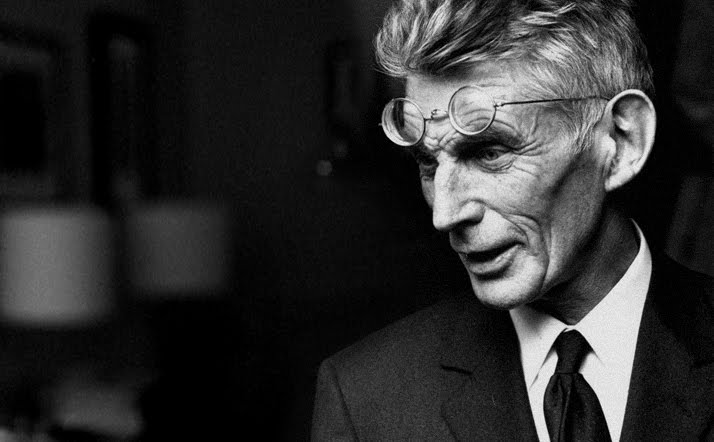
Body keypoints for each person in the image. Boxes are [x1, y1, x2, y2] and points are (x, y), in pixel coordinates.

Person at [312, 0, 714, 440]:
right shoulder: (364, 403)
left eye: (489, 152)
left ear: (620, 141)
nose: (445, 214)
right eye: (427, 162)